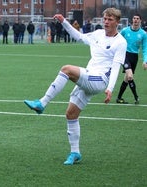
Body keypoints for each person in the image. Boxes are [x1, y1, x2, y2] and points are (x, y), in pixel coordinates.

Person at [24, 8, 127, 165]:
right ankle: (75, 152)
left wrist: (110, 89)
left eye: (110, 19)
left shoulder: (120, 42)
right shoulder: (98, 34)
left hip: (99, 80)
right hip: (90, 76)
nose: (106, 22)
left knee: (66, 69)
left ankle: (42, 103)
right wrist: (64, 22)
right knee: (71, 114)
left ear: (117, 22)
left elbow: (116, 67)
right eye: (105, 18)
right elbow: (79, 36)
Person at [116, 14, 147, 104]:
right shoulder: (125, 30)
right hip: (125, 55)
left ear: (140, 21)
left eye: (137, 18)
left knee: (127, 78)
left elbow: (145, 49)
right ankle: (136, 97)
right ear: (132, 20)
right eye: (134, 18)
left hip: (134, 57)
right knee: (130, 76)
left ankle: (119, 98)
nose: (135, 20)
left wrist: (145, 61)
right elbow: (117, 39)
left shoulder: (143, 34)